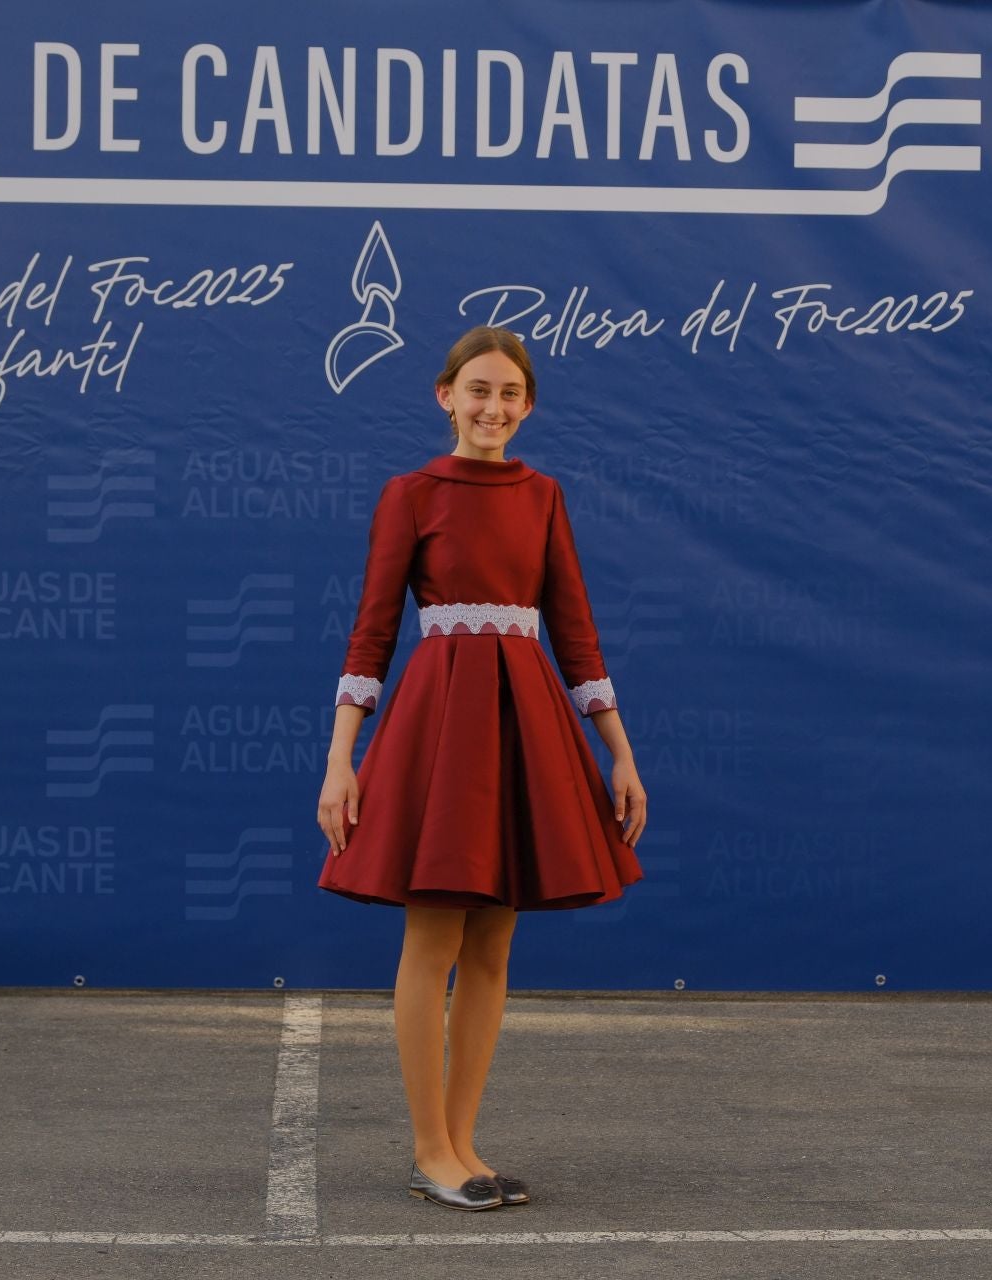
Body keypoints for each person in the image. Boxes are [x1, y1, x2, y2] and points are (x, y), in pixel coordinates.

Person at [314, 325, 647, 1212]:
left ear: (527, 406)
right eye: (478, 391)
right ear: (445, 396)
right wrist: (341, 760)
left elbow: (574, 630)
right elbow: (372, 632)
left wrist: (619, 751)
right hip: (440, 729)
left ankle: (464, 1144)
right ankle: (430, 1150)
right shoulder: (410, 494)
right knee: (433, 939)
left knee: (494, 944)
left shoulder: (544, 496)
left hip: (525, 722)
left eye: (510, 394)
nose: (493, 408)